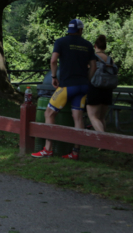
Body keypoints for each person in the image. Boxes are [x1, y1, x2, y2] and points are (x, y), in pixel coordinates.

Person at [32, 19, 97, 160]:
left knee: (49, 113)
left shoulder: (61, 42)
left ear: (69, 29)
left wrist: (54, 76)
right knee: (78, 118)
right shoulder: (87, 45)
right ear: (80, 30)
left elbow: (53, 60)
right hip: (83, 86)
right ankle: (75, 152)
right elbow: (94, 66)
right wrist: (88, 79)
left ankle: (48, 149)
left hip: (67, 86)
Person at [86, 35, 115, 133]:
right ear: (105, 47)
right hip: (107, 89)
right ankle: (104, 143)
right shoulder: (110, 59)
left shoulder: (92, 57)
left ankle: (103, 142)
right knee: (102, 118)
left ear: (95, 46)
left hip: (95, 88)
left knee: (93, 117)